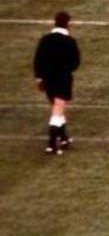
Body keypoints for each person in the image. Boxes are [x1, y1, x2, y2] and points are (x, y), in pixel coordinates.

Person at [34, 12, 80, 155]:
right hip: (63, 79)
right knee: (58, 110)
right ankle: (52, 144)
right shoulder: (69, 41)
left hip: (48, 79)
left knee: (56, 108)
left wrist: (39, 78)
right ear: (67, 23)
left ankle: (64, 138)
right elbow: (75, 63)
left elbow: (38, 60)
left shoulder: (45, 40)